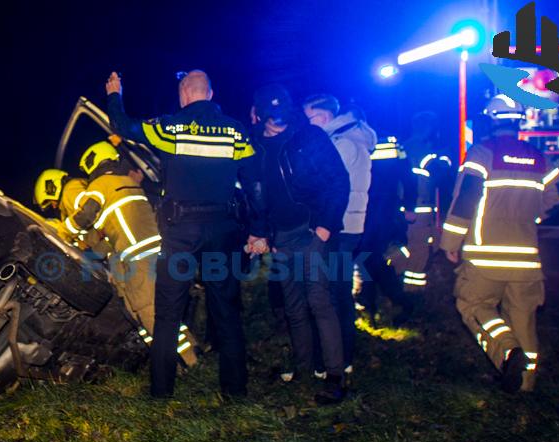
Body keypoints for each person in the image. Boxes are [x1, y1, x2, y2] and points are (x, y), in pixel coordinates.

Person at [105, 70, 265, 398]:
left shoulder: (169, 127)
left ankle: (161, 393)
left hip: (181, 235)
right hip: (222, 232)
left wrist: (114, 94)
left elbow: (123, 127)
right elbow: (254, 184)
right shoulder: (236, 131)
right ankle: (235, 392)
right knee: (227, 312)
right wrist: (259, 230)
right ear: (210, 92)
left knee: (167, 314)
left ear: (184, 93)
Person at [33, 144, 198, 368]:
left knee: (148, 311)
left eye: (52, 203)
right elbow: (104, 233)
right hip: (148, 252)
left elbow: (86, 216)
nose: (56, 207)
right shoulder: (126, 182)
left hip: (135, 255)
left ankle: (184, 363)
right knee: (145, 311)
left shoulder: (94, 187)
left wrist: (63, 232)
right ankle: (187, 351)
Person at [439, 94, 559, 393]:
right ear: (520, 121)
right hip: (527, 258)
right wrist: (528, 221)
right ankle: (526, 383)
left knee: (474, 306)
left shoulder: (481, 154)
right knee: (523, 317)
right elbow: (553, 200)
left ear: (491, 121)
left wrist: (450, 241)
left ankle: (507, 352)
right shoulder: (540, 158)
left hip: (485, 256)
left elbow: (465, 201)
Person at [251, 84, 350, 404]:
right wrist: (264, 234)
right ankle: (303, 367)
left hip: (311, 232)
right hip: (280, 238)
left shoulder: (309, 136)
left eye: (282, 115)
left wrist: (324, 228)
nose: (277, 122)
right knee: (293, 308)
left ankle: (335, 376)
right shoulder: (255, 146)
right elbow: (254, 194)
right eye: (271, 116)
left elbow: (338, 181)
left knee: (319, 301)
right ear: (260, 116)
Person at [303, 94, 376, 375]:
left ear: (322, 117)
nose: (308, 125)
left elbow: (324, 185)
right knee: (339, 293)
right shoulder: (353, 137)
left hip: (339, 226)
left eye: (309, 118)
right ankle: (343, 356)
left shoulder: (341, 143)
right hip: (350, 225)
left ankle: (338, 359)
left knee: (334, 296)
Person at [356, 136, 416, 324]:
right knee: (369, 257)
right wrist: (409, 204)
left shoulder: (351, 135)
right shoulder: (392, 142)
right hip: (380, 208)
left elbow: (407, 176)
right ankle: (379, 302)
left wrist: (409, 204)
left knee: (368, 257)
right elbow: (408, 175)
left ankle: (381, 301)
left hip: (369, 208)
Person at [399, 112, 454, 290]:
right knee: (420, 249)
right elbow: (439, 173)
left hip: (411, 206)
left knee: (416, 245)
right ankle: (412, 292)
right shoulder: (423, 150)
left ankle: (398, 276)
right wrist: (444, 157)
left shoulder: (406, 146)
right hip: (420, 207)